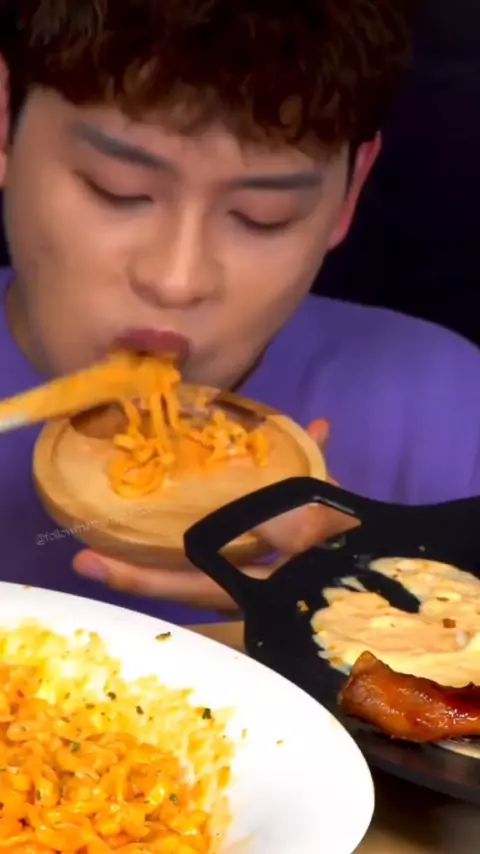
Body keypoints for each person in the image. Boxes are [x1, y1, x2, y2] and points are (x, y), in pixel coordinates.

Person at [0, 0, 479, 624]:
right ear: (4, 120)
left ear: (351, 190)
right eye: (117, 189)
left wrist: (392, 629)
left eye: (262, 218)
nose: (177, 281)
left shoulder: (450, 413)